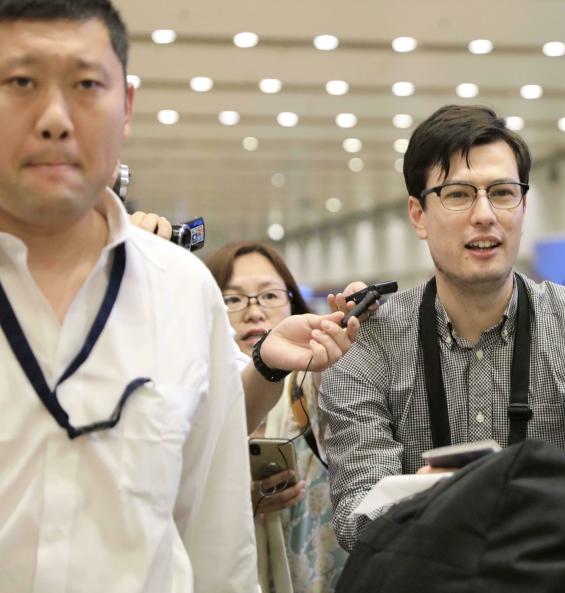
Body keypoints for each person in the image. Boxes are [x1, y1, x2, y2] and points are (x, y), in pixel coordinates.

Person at [0, 1, 357, 590]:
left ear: (126, 107)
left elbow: (217, 539)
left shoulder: (181, 291)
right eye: (21, 82)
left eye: (87, 84)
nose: (55, 118)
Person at [319, 104, 565, 550]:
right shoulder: (369, 340)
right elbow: (359, 517)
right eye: (457, 194)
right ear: (418, 214)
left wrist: (431, 502)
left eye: (501, 192)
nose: (484, 214)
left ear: (523, 205)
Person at [205, 242, 350, 593]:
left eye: (269, 296)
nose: (254, 312)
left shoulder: (320, 385)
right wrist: (242, 501)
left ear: (292, 304)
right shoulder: (192, 403)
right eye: (232, 299)